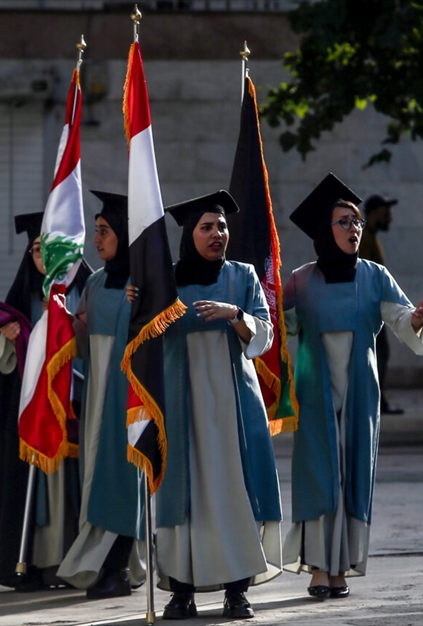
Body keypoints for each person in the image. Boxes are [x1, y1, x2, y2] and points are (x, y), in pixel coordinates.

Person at [130, 190, 282, 620]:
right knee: (184, 496)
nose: (218, 234)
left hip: (233, 406)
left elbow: (265, 335)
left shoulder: (243, 276)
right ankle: (182, 591)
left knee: (232, 493)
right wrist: (137, 307)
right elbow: (144, 337)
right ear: (189, 234)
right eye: (207, 227)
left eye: (222, 227)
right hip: (181, 406)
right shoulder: (167, 278)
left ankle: (237, 591)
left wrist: (236, 314)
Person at [282, 174, 423, 600]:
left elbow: (401, 319)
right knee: (317, 476)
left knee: (353, 476)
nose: (353, 229)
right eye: (343, 221)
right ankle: (318, 567)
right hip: (314, 394)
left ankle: (342, 568)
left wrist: (417, 320)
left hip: (360, 396)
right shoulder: (300, 279)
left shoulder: (374, 276)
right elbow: (279, 326)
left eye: (356, 222)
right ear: (322, 231)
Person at [56, 191, 148, 599]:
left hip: (129, 395)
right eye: (96, 232)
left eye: (105, 232)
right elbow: (82, 338)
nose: (97, 240)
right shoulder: (94, 281)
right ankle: (105, 567)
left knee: (123, 479)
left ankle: (117, 569)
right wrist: (59, 322)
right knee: (97, 475)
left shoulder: (145, 281)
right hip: (96, 393)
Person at [0, 212, 88, 591]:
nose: (42, 259)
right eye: (35, 250)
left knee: (74, 488)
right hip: (35, 412)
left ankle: (76, 561)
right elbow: (5, 365)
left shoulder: (86, 289)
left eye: (49, 250)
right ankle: (37, 562)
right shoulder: (23, 297)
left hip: (77, 403)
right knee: (41, 491)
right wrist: (9, 336)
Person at [357, 193, 404, 415]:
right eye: (386, 214)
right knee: (379, 354)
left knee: (380, 354)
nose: (390, 219)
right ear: (375, 214)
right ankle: (374, 401)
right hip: (370, 310)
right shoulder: (365, 238)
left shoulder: (370, 237)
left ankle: (377, 400)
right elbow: (364, 276)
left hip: (374, 309)